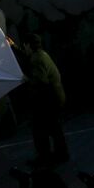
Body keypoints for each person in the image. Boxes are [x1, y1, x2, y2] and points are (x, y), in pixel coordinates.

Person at [14, 34, 68, 165]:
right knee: (53, 128)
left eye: (24, 45)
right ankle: (60, 154)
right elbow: (28, 56)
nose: (24, 48)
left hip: (47, 100)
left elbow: (40, 81)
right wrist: (13, 47)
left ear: (28, 45)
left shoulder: (36, 60)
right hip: (54, 97)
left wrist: (25, 80)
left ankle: (46, 157)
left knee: (40, 130)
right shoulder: (41, 54)